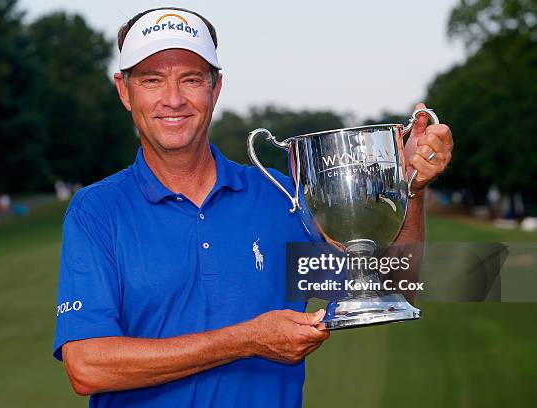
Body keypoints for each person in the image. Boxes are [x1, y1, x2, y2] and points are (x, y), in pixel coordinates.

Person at [52, 7, 453, 408]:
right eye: (152, 80)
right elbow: (88, 366)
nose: (173, 100)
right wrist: (245, 340)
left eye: (191, 79)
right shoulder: (97, 211)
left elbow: (394, 288)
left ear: (216, 87)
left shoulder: (281, 196)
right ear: (125, 90)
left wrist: (410, 188)